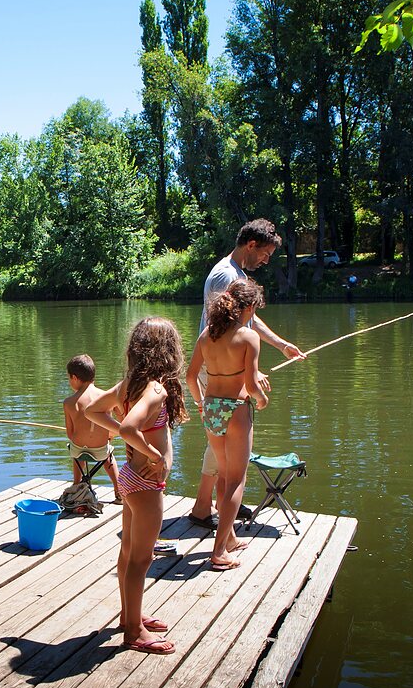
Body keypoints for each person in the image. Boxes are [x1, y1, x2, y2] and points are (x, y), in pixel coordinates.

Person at [188, 219, 305, 530]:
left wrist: (280, 344)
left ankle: (210, 506)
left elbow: (246, 318)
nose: (266, 260)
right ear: (251, 244)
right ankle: (212, 506)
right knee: (226, 447)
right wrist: (247, 369)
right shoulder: (226, 275)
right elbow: (223, 327)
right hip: (220, 369)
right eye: (265, 253)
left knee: (220, 441)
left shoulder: (237, 275)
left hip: (224, 368)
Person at [84, 317, 189, 655]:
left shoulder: (130, 384)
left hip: (131, 477)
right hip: (144, 483)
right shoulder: (155, 389)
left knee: (129, 552)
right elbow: (130, 428)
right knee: (142, 559)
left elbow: (93, 411)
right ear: (169, 352)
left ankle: (129, 615)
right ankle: (134, 631)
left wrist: (126, 436)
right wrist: (153, 452)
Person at [186, 279, 269, 570]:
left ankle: (230, 537)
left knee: (223, 475)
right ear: (247, 307)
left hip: (211, 409)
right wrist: (261, 400)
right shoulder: (249, 337)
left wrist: (200, 403)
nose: (253, 314)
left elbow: (190, 376)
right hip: (236, 410)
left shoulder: (207, 334)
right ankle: (219, 551)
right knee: (236, 480)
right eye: (254, 309)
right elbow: (251, 384)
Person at [62, 354, 119, 497]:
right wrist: (108, 437)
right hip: (101, 450)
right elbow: (113, 428)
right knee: (108, 455)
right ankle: (118, 490)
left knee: (76, 449)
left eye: (69, 378)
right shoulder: (106, 397)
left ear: (75, 378)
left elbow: (70, 434)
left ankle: (76, 484)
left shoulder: (69, 402)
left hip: (78, 450)